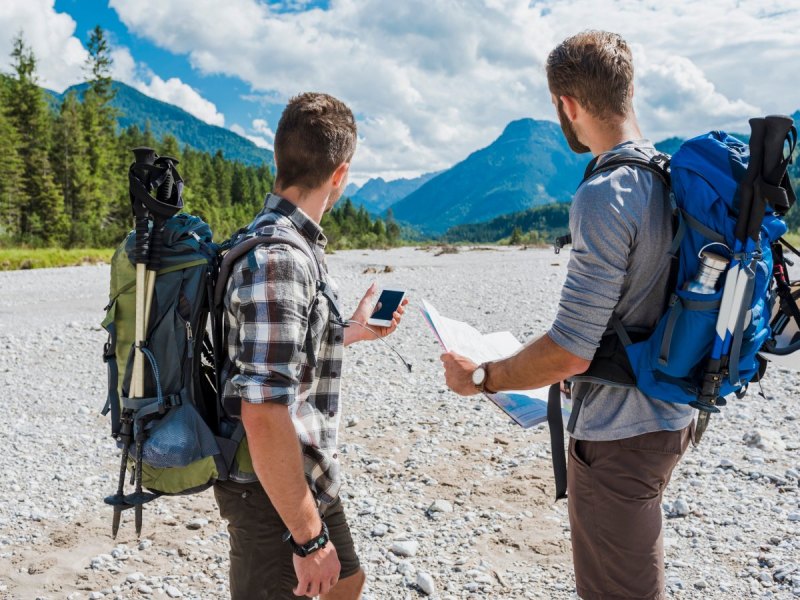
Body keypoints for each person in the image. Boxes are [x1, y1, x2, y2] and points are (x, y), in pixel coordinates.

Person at [441, 31, 693, 600]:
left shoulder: (607, 194)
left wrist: (483, 376)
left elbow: (571, 350)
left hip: (620, 433)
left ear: (568, 105)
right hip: (672, 411)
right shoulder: (672, 176)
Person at [215, 92, 408, 600]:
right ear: (340, 174)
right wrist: (308, 537)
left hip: (305, 474)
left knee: (347, 581)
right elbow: (260, 409)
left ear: (278, 159)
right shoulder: (280, 259)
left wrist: (351, 331)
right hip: (269, 484)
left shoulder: (287, 245)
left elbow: (279, 354)